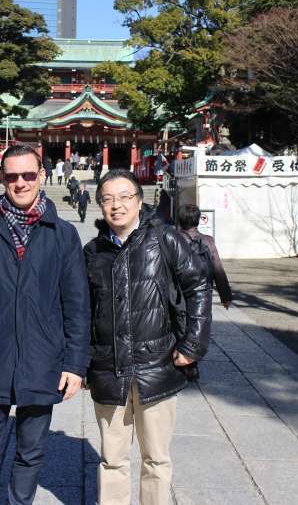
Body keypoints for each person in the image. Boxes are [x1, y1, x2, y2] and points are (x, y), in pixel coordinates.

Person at [0, 145, 90, 505]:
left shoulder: (63, 234)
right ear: (1, 179)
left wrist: (75, 365)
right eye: (12, 176)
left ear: (42, 176)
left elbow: (77, 305)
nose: (21, 183)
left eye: (28, 175)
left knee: (30, 454)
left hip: (44, 362)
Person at [83, 169, 211, 505]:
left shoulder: (166, 240)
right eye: (108, 198)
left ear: (140, 202)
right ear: (99, 205)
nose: (117, 205)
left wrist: (193, 345)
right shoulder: (92, 252)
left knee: (156, 457)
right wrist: (81, 363)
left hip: (157, 365)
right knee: (112, 458)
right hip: (109, 369)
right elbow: (81, 311)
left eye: (125, 197)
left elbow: (198, 285)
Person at [177, 203, 232, 308]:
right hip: (203, 296)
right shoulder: (208, 241)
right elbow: (218, 269)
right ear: (198, 220)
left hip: (177, 296)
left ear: (180, 220)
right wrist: (226, 297)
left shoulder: (173, 240)